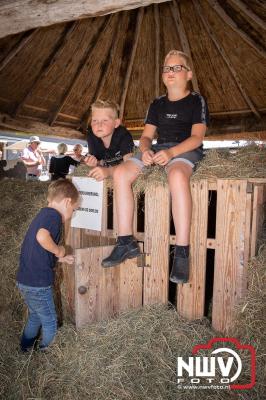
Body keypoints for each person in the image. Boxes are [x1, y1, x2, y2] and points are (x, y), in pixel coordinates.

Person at [102, 50, 209, 284]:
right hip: (159, 148)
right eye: (166, 68)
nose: (170, 72)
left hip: (183, 148)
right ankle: (125, 242)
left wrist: (171, 153)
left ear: (188, 74)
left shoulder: (196, 100)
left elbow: (197, 138)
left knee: (178, 177)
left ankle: (181, 251)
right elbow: (146, 136)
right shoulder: (156, 104)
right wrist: (147, 150)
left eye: (176, 68)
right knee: (120, 173)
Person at [16, 179, 79, 352]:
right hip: (38, 283)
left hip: (25, 281)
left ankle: (25, 348)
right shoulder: (53, 216)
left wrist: (61, 258)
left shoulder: (43, 214)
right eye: (73, 209)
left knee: (35, 316)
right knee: (50, 320)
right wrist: (59, 251)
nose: (72, 214)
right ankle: (47, 356)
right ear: (67, 202)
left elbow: (39, 251)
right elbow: (42, 238)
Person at [85, 99, 134, 181]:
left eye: (105, 120)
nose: (99, 125)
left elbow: (129, 165)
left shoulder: (123, 135)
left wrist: (108, 172)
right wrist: (93, 163)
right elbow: (99, 163)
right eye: (95, 120)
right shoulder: (91, 137)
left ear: (116, 123)